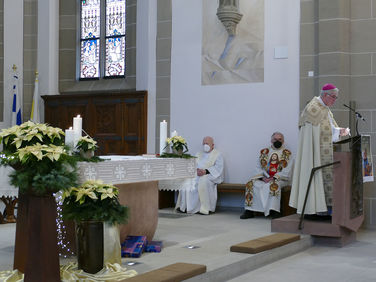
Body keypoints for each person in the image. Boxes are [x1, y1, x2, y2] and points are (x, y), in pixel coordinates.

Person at [289, 83, 350, 216]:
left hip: (325, 151)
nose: (334, 100)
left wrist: (340, 131)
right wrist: (336, 132)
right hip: (315, 154)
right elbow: (317, 132)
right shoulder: (313, 108)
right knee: (318, 178)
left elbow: (330, 128)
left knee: (327, 181)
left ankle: (326, 210)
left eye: (336, 97)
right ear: (324, 95)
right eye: (333, 97)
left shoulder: (325, 108)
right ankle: (316, 211)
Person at [240, 132, 293, 219]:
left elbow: (287, 170)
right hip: (264, 178)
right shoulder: (264, 152)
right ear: (271, 140)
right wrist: (263, 178)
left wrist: (274, 178)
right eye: (275, 139)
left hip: (280, 179)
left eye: (280, 139)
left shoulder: (287, 154)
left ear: (283, 141)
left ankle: (274, 211)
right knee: (251, 184)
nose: (277, 141)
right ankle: (249, 211)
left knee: (273, 185)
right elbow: (258, 167)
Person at [175, 136, 224, 215]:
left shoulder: (217, 154)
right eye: (204, 143)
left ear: (212, 145)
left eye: (207, 143)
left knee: (204, 181)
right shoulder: (199, 153)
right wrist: (196, 170)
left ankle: (205, 208)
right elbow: (193, 164)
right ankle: (184, 207)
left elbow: (218, 168)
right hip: (197, 174)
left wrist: (205, 171)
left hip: (209, 175)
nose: (205, 145)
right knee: (186, 181)